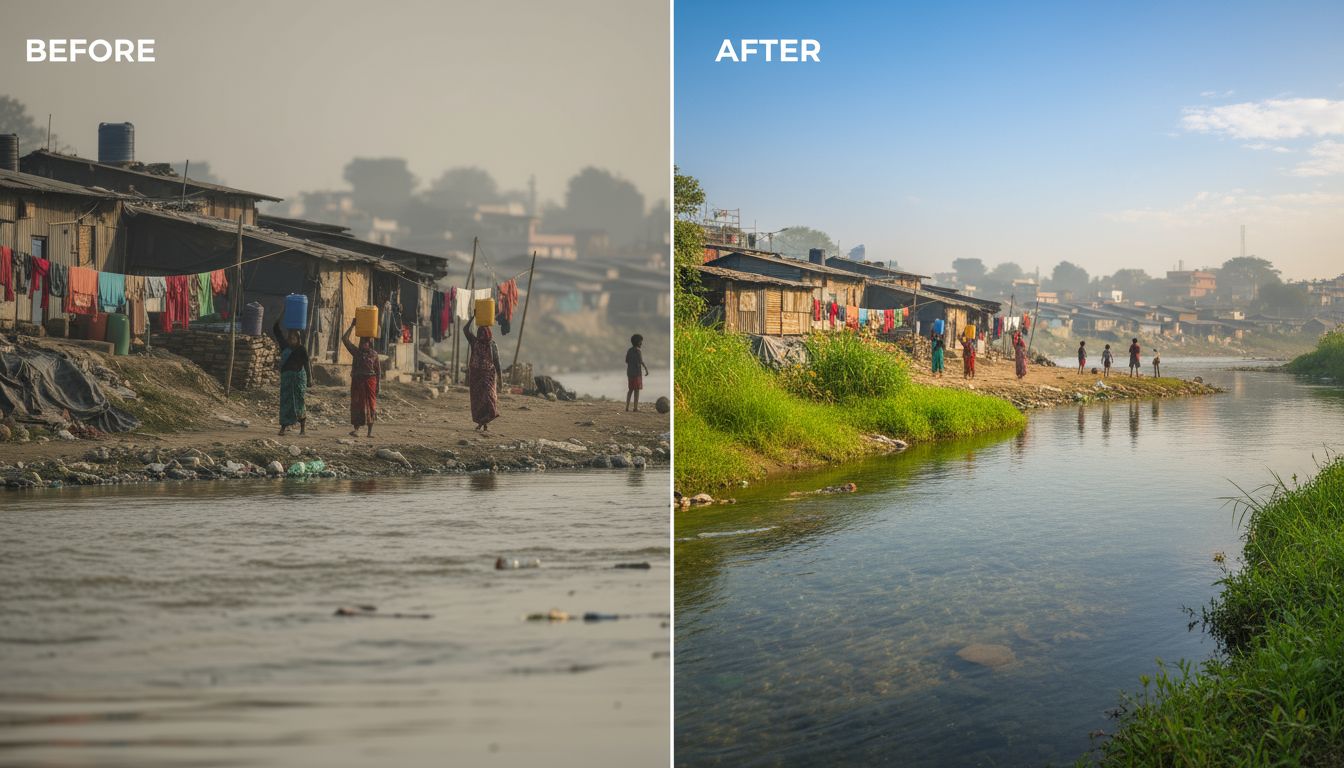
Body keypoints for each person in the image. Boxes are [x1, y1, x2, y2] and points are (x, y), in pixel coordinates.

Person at [342, 319, 380, 437]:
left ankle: (369, 432)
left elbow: (378, 372)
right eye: (362, 342)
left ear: (370, 343)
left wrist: (378, 386)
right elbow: (345, 339)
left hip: (370, 382)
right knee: (357, 404)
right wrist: (352, 325)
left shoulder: (374, 355)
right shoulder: (356, 352)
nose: (364, 344)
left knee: (371, 405)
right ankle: (356, 430)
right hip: (358, 382)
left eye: (366, 342)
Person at [272, 320, 311, 436]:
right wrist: (282, 313)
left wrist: (310, 379)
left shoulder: (301, 349)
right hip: (287, 381)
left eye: (293, 338)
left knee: (299, 402)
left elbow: (306, 364)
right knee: (285, 403)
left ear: (298, 339)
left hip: (298, 380)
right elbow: (276, 330)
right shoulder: (285, 347)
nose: (290, 340)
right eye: (289, 338)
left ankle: (302, 428)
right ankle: (283, 428)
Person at [464, 317, 501, 431]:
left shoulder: (492, 345)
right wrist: (473, 318)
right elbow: (465, 329)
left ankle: (486, 421)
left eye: (484, 333)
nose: (482, 335)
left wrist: (501, 379)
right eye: (480, 333)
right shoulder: (474, 342)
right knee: (477, 400)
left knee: (489, 397)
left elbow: (497, 362)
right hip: (476, 376)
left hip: (488, 375)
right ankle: (481, 423)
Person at [626, 334, 650, 412]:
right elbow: (641, 361)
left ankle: (627, 407)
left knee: (630, 390)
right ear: (638, 342)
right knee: (636, 390)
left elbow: (626, 360)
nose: (641, 343)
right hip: (637, 374)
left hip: (630, 373)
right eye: (641, 342)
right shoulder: (638, 351)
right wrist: (646, 369)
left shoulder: (629, 350)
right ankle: (635, 408)